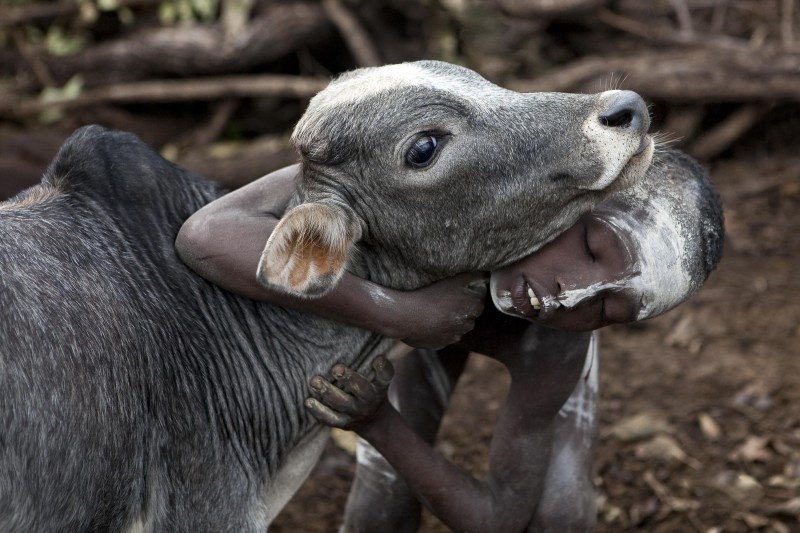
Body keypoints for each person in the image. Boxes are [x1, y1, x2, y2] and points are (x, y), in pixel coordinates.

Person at [176, 147, 723, 531]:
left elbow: (497, 518)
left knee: (561, 515)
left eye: (606, 309)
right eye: (589, 247)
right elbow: (208, 235)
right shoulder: (453, 174)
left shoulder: (556, 347)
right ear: (573, 195)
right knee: (379, 512)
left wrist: (379, 425)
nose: (570, 297)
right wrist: (399, 314)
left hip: (485, 330)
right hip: (422, 307)